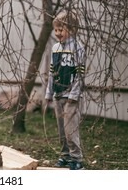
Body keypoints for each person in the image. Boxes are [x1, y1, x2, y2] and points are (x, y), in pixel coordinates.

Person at [45, 10, 86, 170]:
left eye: (61, 29)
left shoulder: (77, 47)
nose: (57, 33)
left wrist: (74, 95)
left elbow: (80, 74)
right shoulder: (55, 48)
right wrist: (49, 93)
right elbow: (51, 72)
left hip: (71, 97)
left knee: (70, 130)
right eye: (56, 30)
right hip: (58, 95)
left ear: (72, 30)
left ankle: (77, 159)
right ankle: (65, 156)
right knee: (61, 130)